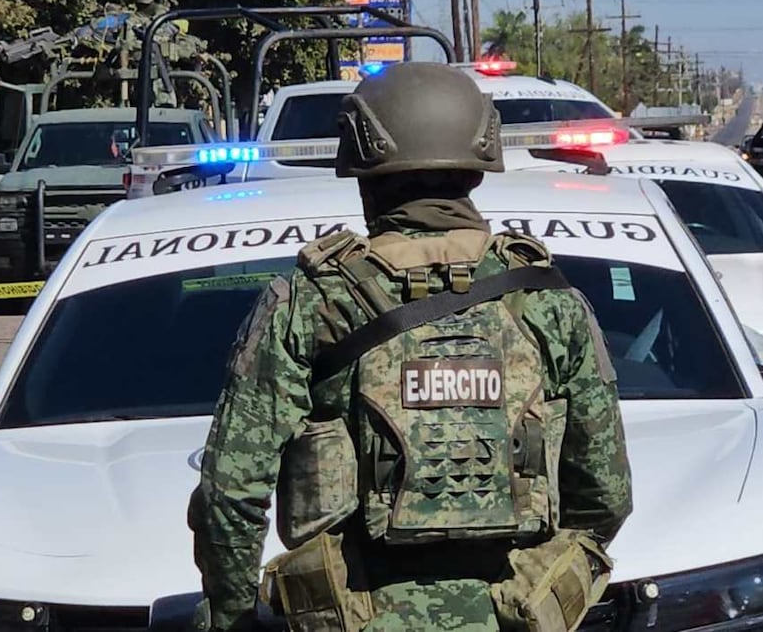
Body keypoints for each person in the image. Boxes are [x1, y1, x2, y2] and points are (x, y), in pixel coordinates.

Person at [188, 62, 633, 631]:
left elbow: (229, 492)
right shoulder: (551, 301)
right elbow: (606, 494)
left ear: (361, 170)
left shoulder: (312, 301)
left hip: (352, 615)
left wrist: (231, 616)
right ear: (478, 165)